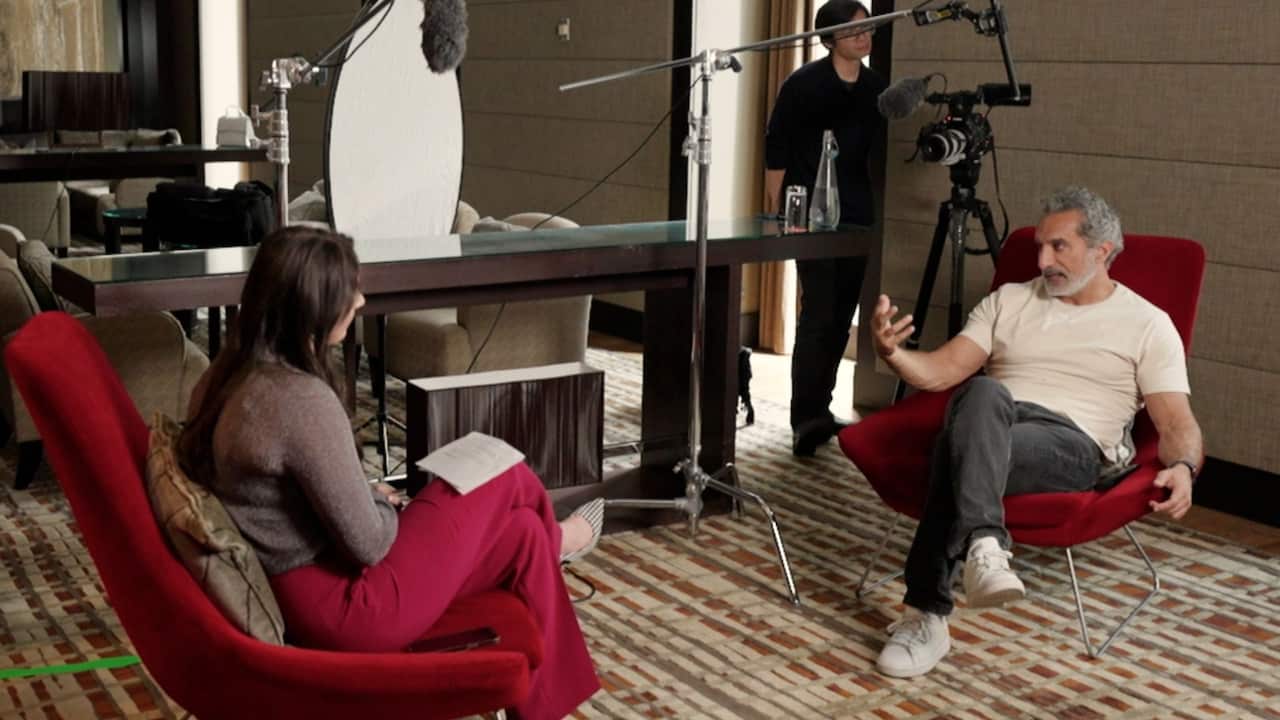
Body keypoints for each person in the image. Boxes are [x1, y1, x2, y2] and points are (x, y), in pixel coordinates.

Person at [179, 226, 601, 719]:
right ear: (310, 309)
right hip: (349, 608)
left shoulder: (225, 377)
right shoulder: (294, 399)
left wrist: (364, 491)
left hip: (307, 588)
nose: (359, 299)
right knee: (501, 472)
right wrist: (378, 498)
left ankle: (548, 698)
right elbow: (371, 544)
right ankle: (562, 539)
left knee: (521, 536)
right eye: (346, 292)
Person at [868, 187, 1203, 678]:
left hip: (1071, 445)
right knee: (982, 396)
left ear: (1102, 251)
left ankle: (926, 614)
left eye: (1058, 247)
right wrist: (893, 354)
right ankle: (986, 545)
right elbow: (942, 371)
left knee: (958, 449)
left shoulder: (1148, 324)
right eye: (1039, 246)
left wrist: (1184, 466)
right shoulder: (1009, 300)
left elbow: (1176, 421)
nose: (1042, 259)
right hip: (990, 423)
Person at [764, 0, 888, 456]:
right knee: (817, 312)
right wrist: (779, 213)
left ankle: (822, 407)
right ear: (831, 37)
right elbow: (775, 148)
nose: (865, 35)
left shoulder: (875, 88)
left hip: (856, 211)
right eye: (855, 29)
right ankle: (804, 417)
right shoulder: (804, 84)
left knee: (841, 315)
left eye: (868, 28)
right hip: (807, 214)